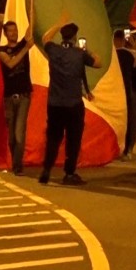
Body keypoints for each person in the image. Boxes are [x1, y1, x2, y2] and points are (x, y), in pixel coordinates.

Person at [39, 15, 102, 186]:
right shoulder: (79, 54)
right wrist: (86, 49)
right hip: (73, 103)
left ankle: (47, 169)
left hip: (54, 103)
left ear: (62, 36)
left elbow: (45, 38)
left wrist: (58, 24)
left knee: (53, 137)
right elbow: (98, 62)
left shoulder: (54, 50)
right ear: (74, 37)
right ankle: (69, 173)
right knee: (73, 139)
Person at [0, 20, 34, 175]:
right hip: (9, 98)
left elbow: (30, 29)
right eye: (10, 31)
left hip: (24, 95)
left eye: (15, 30)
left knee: (20, 133)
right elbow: (11, 63)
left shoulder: (22, 45)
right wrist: (26, 48)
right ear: (6, 34)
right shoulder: (1, 50)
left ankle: (18, 166)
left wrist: (32, 2)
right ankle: (15, 161)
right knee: (12, 137)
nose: (14, 33)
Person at [113, 29, 136, 161]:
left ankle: (117, 147)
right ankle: (127, 149)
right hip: (127, 90)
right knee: (129, 119)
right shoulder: (130, 55)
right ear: (123, 39)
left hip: (115, 91)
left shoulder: (112, 56)